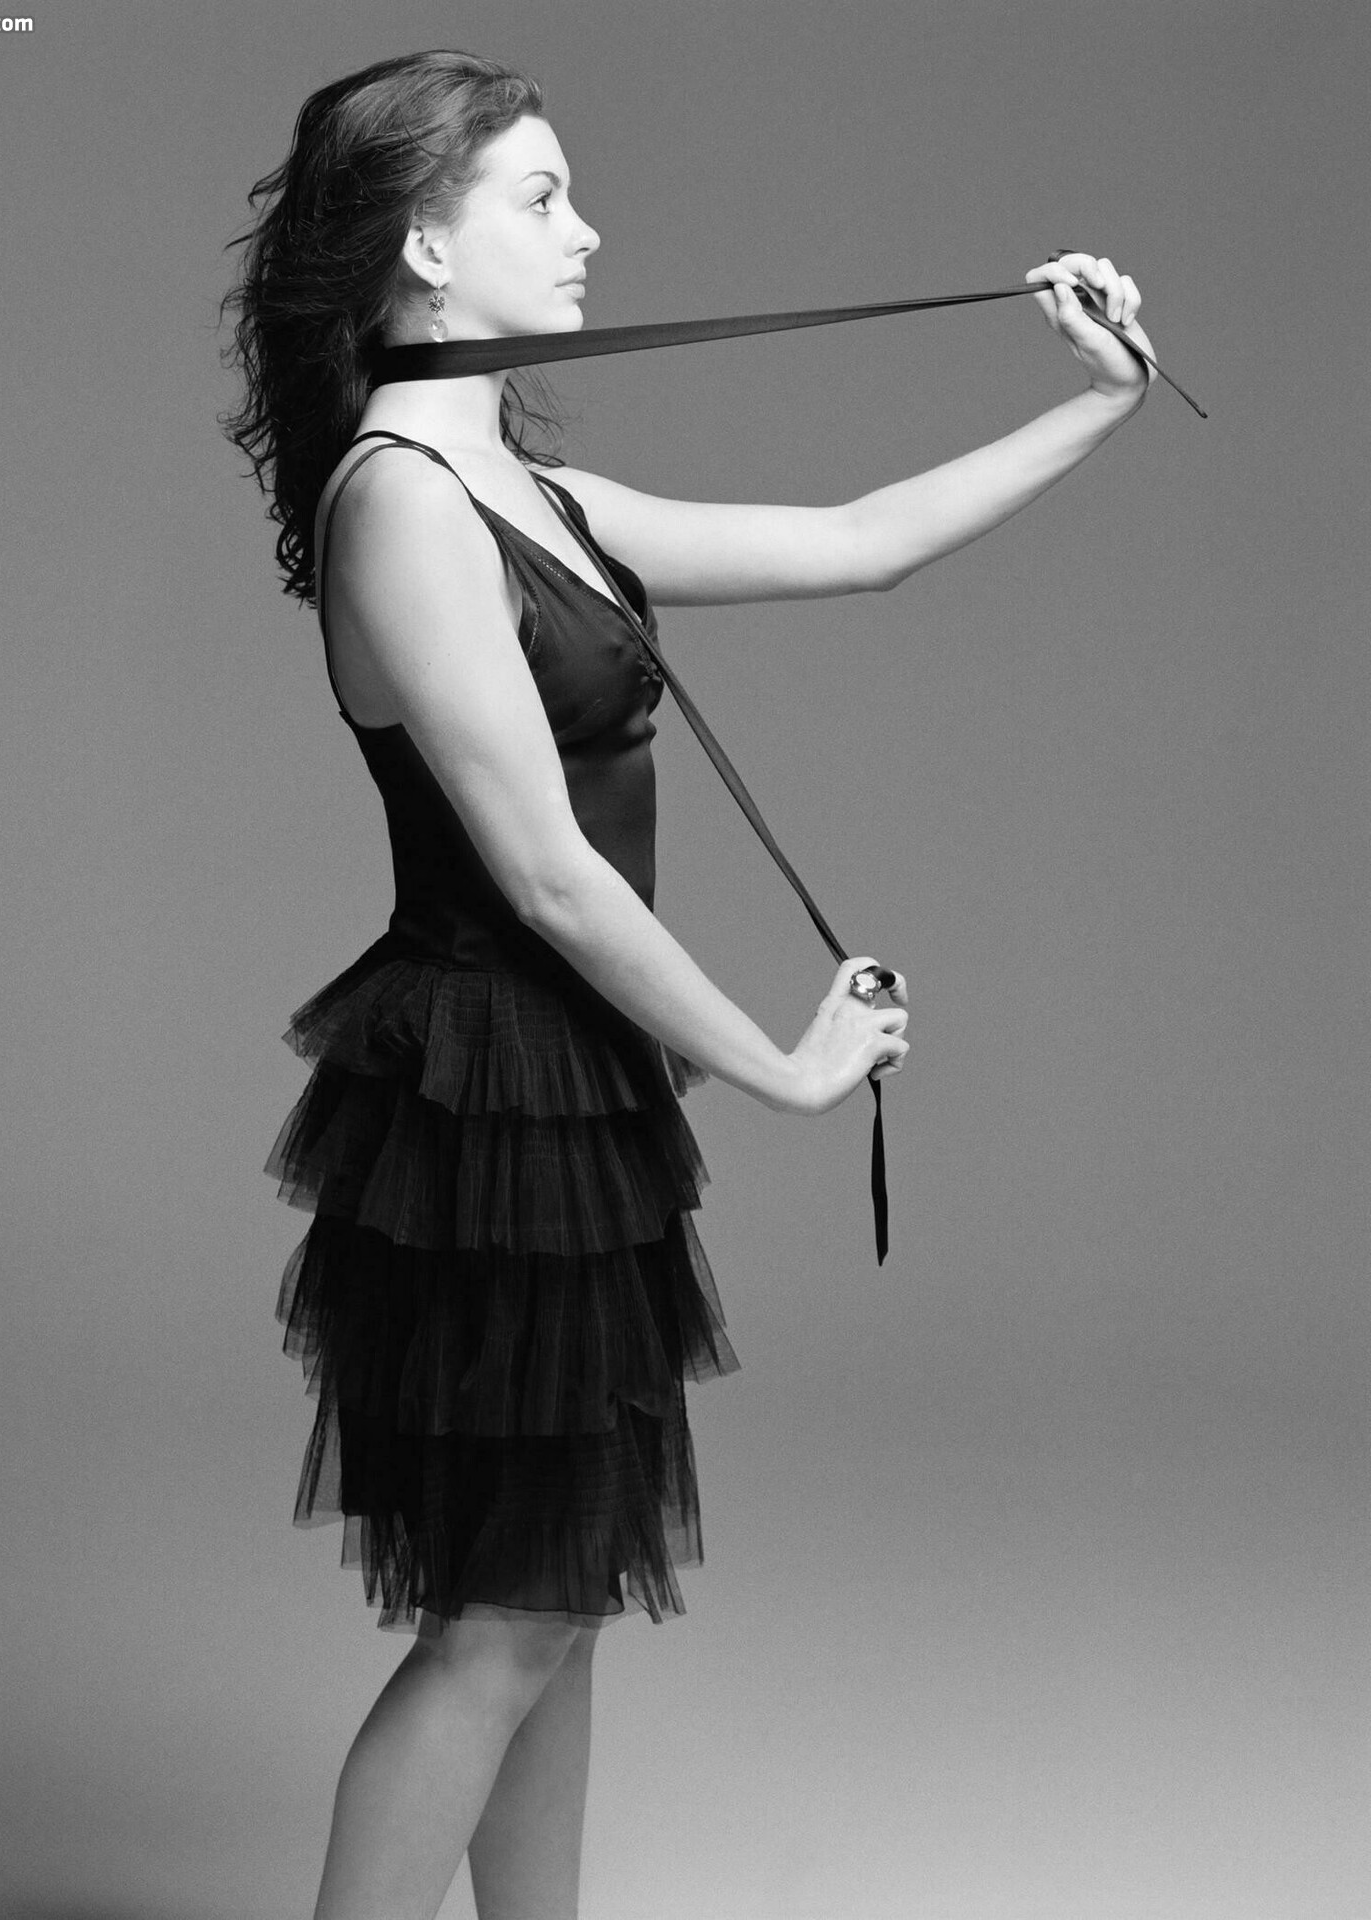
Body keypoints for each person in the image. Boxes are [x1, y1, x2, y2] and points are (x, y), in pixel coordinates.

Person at [222, 46, 1154, 1920]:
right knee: (502, 1620)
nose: (589, 230)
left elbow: (858, 545)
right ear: (424, 244)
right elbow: (548, 876)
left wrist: (1101, 399)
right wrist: (788, 1069)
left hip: (570, 1080)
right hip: (486, 1082)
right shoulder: (405, 498)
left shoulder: (525, 488)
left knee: (551, 1602)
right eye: (541, 197)